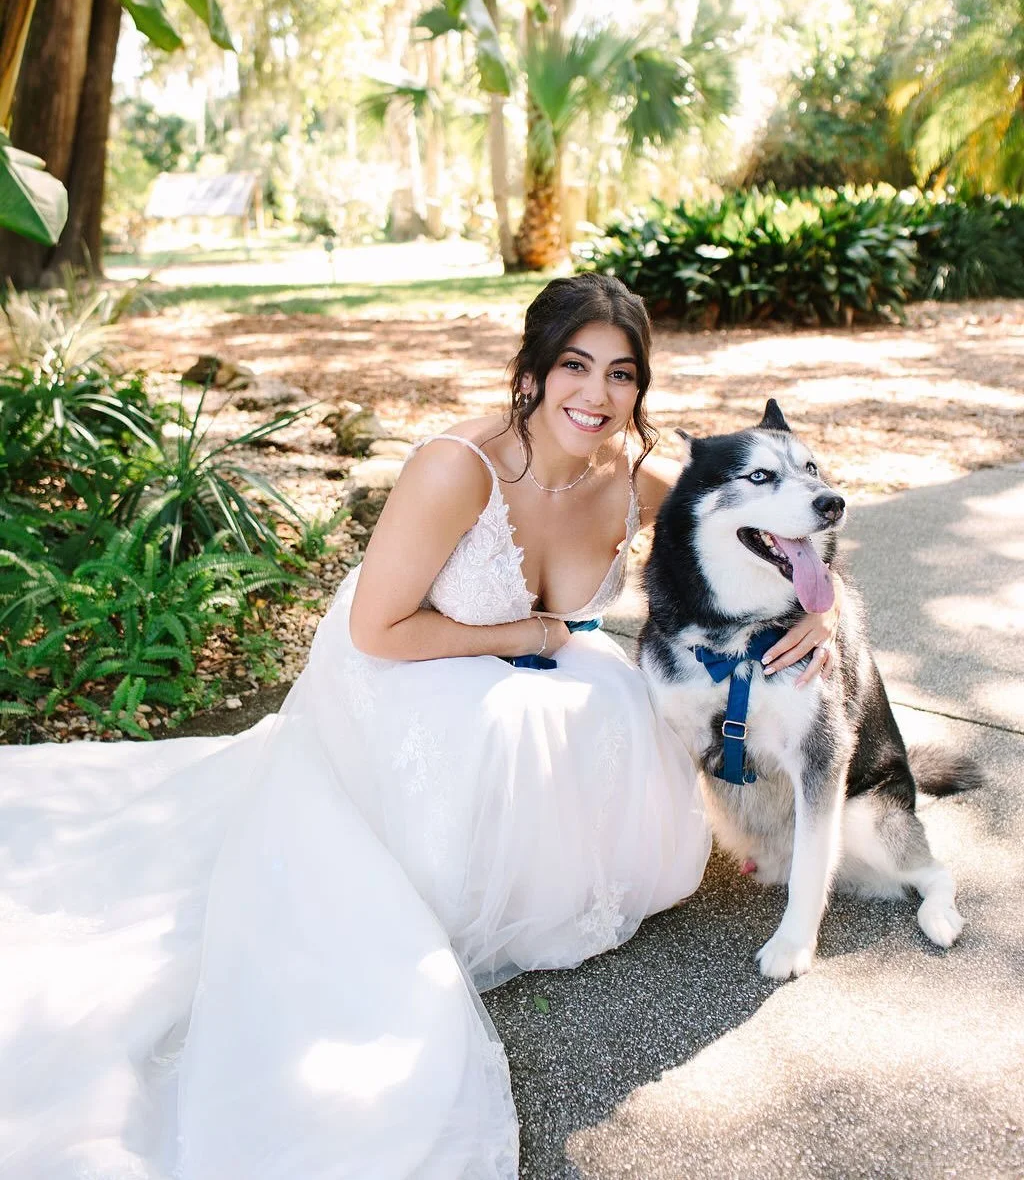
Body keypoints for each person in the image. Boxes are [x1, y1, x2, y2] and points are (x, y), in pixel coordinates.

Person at [0, 274, 839, 1179]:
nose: (596, 395)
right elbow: (377, 630)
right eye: (574, 366)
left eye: (622, 374)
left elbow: (786, 518)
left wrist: (823, 611)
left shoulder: (641, 476)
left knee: (601, 701)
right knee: (504, 724)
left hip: (542, 668)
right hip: (408, 668)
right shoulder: (456, 467)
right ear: (531, 371)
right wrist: (525, 633)